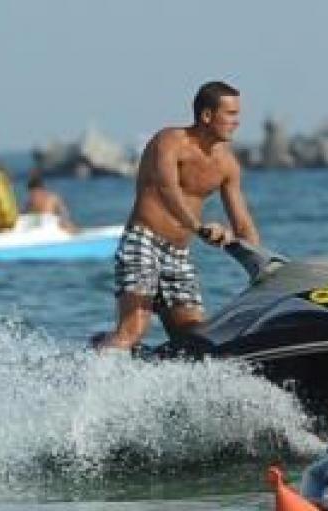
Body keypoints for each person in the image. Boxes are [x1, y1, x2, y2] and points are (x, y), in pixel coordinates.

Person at [94, 80, 260, 351]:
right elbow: (167, 190)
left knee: (195, 340)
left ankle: (150, 368)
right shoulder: (169, 142)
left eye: (237, 114)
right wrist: (199, 228)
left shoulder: (227, 164)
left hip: (178, 255)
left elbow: (242, 224)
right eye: (230, 114)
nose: (237, 121)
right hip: (143, 242)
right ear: (207, 115)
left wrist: (262, 269)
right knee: (133, 330)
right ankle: (93, 367)